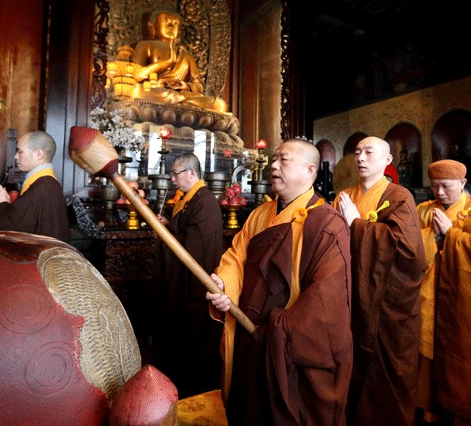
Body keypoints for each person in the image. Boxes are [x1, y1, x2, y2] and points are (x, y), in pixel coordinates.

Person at [205, 138, 352, 425]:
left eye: (284, 160)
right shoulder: (260, 214)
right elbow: (236, 257)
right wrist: (225, 288)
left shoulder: (328, 223)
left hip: (286, 347)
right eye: (274, 159)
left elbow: (326, 298)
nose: (273, 165)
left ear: (310, 171)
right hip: (251, 336)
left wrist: (278, 332)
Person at [331, 136, 426, 426]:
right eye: (357, 152)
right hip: (350, 300)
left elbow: (409, 252)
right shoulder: (344, 195)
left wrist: (356, 225)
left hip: (387, 306)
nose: (360, 158)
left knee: (385, 382)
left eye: (369, 152)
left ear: (387, 160)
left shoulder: (399, 196)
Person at [416, 159, 471, 425]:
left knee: (468, 359)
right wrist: (430, 237)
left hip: (469, 303)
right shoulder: (423, 210)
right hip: (431, 297)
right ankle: (431, 410)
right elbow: (410, 247)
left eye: (446, 186)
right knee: (429, 354)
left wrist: (451, 234)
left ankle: (468, 412)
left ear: (463, 184)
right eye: (434, 187)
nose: (439, 193)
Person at [151, 153, 224, 398]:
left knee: (192, 335)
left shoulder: (204, 201)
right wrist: (169, 226)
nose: (172, 179)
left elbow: (195, 249)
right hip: (184, 278)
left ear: (191, 174)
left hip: (195, 283)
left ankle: (192, 388)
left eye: (176, 174)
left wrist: (166, 235)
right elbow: (184, 230)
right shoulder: (190, 198)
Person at [114, 8, 227, 112]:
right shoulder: (145, 45)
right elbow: (137, 75)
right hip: (155, 92)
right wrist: (166, 63)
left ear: (180, 31)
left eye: (175, 24)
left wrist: (185, 86)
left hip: (180, 95)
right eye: (166, 22)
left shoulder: (185, 53)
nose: (171, 27)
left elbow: (198, 86)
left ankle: (180, 105)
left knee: (219, 104)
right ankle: (181, 107)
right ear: (152, 27)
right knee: (135, 91)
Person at [0, 130, 70, 243]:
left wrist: (2, 204)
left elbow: (8, 229)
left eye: (20, 152)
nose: (15, 157)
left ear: (39, 155)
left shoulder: (42, 187)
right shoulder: (47, 184)